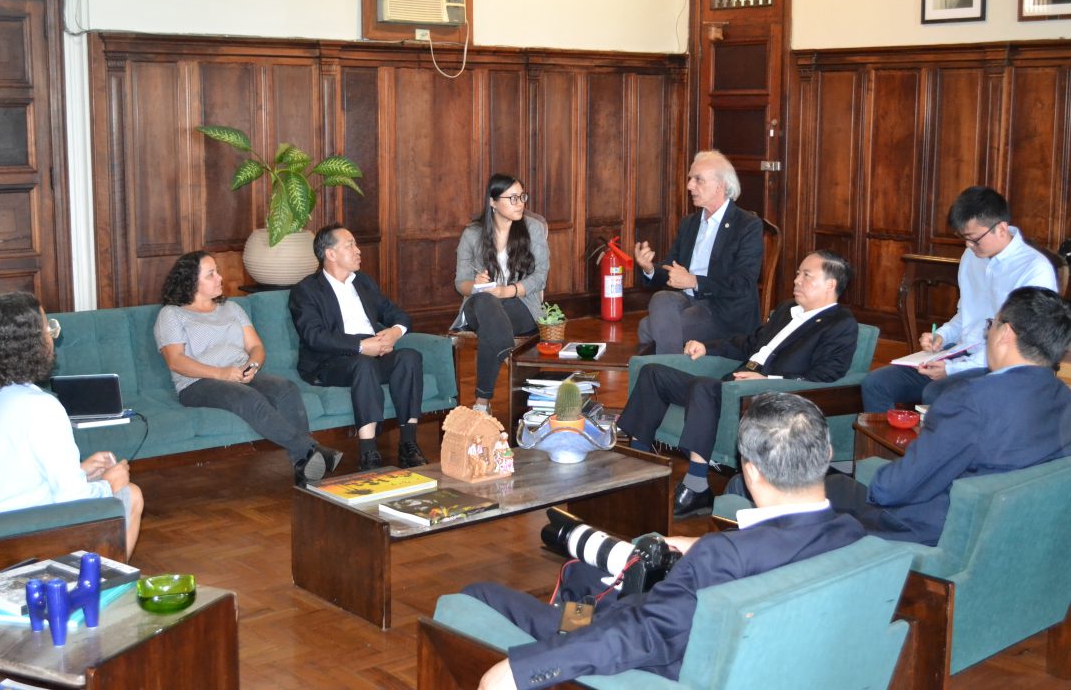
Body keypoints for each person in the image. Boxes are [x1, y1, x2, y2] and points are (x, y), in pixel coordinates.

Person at [464, 392, 865, 690]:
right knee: (584, 577)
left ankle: (564, 626)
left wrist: (524, 670)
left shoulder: (721, 557)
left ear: (751, 472)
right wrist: (700, 550)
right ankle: (573, 613)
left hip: (642, 655)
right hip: (738, 641)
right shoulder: (852, 534)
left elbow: (641, 633)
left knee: (480, 594)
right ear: (826, 453)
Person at [621, 250, 858, 517]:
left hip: (762, 395)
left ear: (830, 284)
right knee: (653, 373)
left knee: (703, 387)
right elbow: (748, 344)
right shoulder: (786, 311)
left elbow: (827, 375)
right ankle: (637, 468)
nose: (796, 280)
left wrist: (768, 380)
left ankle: (697, 487)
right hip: (731, 386)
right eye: (797, 273)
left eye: (806, 275)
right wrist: (707, 348)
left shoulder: (840, 324)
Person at [827, 287, 1071, 546]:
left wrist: (876, 481)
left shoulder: (969, 400)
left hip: (937, 533)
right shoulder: (1063, 397)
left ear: (1005, 334)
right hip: (1015, 532)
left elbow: (892, 489)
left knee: (829, 490)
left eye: (991, 324)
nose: (988, 333)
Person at [0, 292, 144, 558]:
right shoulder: (41, 406)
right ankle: (104, 580)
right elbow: (72, 499)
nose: (52, 336)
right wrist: (108, 483)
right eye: (47, 328)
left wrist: (80, 472)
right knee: (131, 494)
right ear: (29, 344)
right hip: (9, 532)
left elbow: (4, 472)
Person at [861, 186, 1056, 412]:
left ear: (1001, 228)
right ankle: (896, 436)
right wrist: (942, 336)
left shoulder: (1034, 269)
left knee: (936, 393)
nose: (968, 246)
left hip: (1001, 364)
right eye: (964, 238)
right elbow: (966, 313)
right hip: (960, 352)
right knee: (876, 384)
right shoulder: (971, 257)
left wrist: (953, 369)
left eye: (974, 239)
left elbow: (1019, 343)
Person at [155, 251, 339, 488]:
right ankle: (312, 449)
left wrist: (251, 367)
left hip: (240, 374)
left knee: (286, 389)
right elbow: (176, 361)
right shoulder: (171, 314)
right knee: (248, 397)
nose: (220, 277)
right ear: (190, 281)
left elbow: (256, 347)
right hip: (197, 383)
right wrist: (222, 373)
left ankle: (304, 466)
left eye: (217, 272)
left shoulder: (231, 308)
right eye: (211, 274)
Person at [289, 224, 428, 471]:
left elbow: (398, 314)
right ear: (330, 254)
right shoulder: (306, 290)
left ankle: (408, 444)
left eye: (355, 244)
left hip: (373, 353)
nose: (358, 250)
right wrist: (361, 346)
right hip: (330, 361)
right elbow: (314, 336)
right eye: (350, 245)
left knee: (409, 357)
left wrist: (394, 332)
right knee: (363, 364)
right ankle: (368, 452)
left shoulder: (362, 282)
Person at [634, 150, 763, 354]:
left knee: (647, 327)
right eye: (690, 179)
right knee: (662, 298)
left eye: (698, 180)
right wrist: (649, 268)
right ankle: (672, 368)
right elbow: (672, 269)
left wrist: (694, 282)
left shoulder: (747, 225)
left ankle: (668, 369)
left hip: (723, 310)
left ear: (720, 185)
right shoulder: (690, 223)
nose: (689, 186)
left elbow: (742, 283)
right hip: (687, 301)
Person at [451, 174, 550, 415]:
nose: (520, 203)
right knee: (486, 302)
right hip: (479, 306)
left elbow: (540, 277)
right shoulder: (472, 234)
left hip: (520, 305)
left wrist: (507, 291)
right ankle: (507, 354)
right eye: (512, 198)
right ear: (493, 202)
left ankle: (482, 403)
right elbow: (460, 283)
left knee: (491, 325)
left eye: (522, 197)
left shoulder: (533, 229)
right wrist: (475, 285)